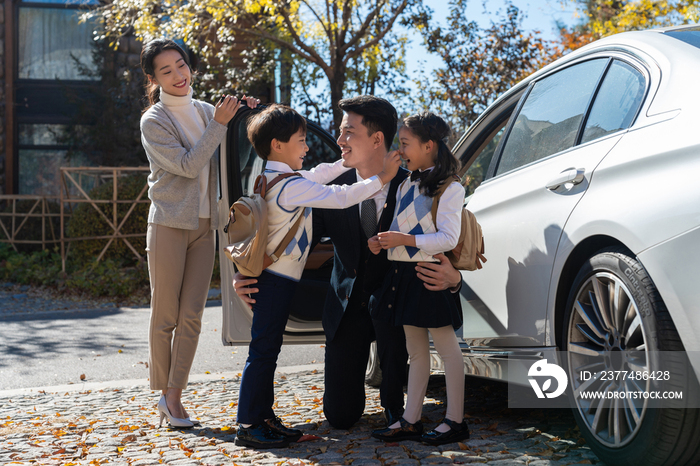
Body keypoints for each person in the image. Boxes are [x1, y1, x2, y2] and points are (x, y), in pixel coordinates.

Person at [234, 96, 463, 431]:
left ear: (377, 139)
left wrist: (454, 276)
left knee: (399, 397)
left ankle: (402, 409)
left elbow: (454, 238)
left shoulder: (417, 182)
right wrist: (246, 272)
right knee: (340, 416)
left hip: (397, 305)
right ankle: (257, 418)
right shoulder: (325, 189)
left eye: (347, 133)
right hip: (346, 308)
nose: (338, 141)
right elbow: (274, 229)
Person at [233, 104, 401, 449]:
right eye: (301, 140)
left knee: (267, 349)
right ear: (278, 145)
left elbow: (321, 174)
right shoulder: (290, 186)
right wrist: (381, 178)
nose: (308, 147)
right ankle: (250, 422)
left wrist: (346, 163)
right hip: (277, 280)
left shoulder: (280, 178)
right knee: (263, 352)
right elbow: (338, 197)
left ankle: (262, 416)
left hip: (291, 281)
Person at [139, 38, 260, 429]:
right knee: (166, 316)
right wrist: (221, 124)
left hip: (206, 224)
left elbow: (230, 158)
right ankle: (162, 391)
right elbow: (189, 166)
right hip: (169, 224)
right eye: (166, 70)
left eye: (181, 65)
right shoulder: (154, 120)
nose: (178, 75)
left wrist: (242, 118)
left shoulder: (208, 110)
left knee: (191, 316)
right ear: (154, 78)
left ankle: (174, 397)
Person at [368, 111, 469, 445]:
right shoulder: (406, 181)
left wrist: (404, 241)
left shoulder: (451, 187)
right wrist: (382, 240)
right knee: (416, 350)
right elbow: (402, 227)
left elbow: (448, 238)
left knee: (446, 347)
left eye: (406, 143)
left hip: (428, 276)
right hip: (404, 275)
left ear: (429, 146)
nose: (401, 149)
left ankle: (455, 420)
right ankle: (410, 420)